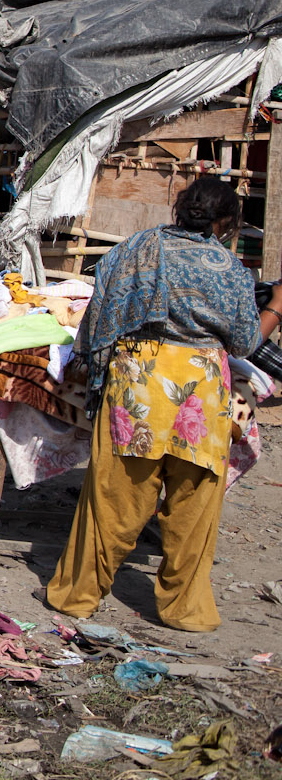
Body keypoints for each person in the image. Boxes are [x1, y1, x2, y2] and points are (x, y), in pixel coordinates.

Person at [44, 177, 278, 632]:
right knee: (194, 509)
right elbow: (247, 343)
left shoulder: (132, 249)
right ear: (226, 222)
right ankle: (186, 611)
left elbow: (98, 318)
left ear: (179, 208)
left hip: (138, 386)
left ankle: (77, 596)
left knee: (113, 501)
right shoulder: (229, 268)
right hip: (202, 394)